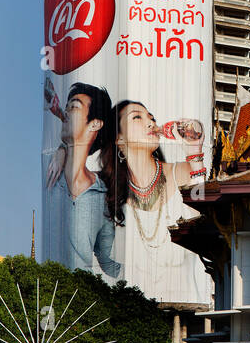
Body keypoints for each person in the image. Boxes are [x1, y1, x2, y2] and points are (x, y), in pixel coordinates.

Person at [101, 100, 210, 305]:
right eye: (137, 117)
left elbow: (201, 207)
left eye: (151, 117)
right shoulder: (109, 195)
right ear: (119, 139)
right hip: (126, 312)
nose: (150, 122)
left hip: (186, 310)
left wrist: (195, 151)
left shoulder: (181, 173)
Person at [43, 83, 120, 279]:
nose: (66, 112)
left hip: (81, 297)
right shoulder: (46, 165)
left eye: (74, 107)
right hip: (44, 290)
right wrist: (62, 148)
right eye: (66, 106)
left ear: (95, 124)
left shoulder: (104, 195)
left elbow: (105, 260)